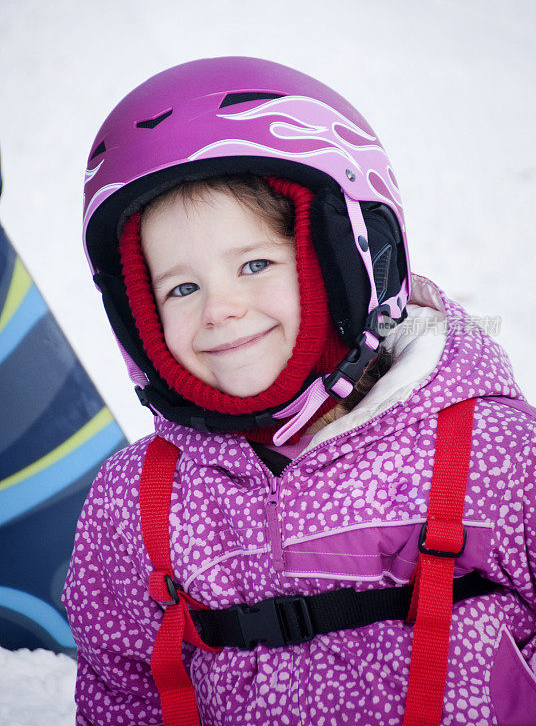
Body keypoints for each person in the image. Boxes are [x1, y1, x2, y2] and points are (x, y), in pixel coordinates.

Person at [63, 57, 536, 726]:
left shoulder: (500, 460)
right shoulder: (137, 505)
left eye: (254, 264)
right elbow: (121, 695)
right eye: (182, 287)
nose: (220, 309)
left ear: (352, 257)